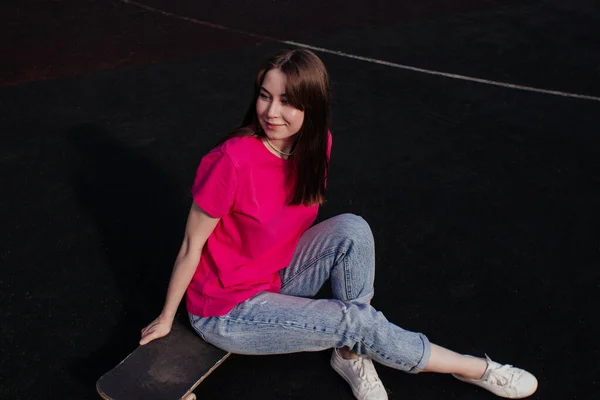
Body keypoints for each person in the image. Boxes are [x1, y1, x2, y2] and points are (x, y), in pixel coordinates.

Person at [140, 49, 538, 400]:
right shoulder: (231, 161)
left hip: (277, 276)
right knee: (356, 320)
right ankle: (473, 368)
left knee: (353, 228)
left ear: (311, 105)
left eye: (287, 101)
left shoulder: (315, 146)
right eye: (265, 96)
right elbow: (192, 247)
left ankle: (351, 354)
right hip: (228, 309)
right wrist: (168, 317)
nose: (271, 112)